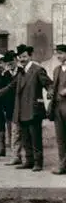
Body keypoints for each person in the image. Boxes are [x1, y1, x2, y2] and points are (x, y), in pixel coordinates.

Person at [0, 44, 53, 172]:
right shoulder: (21, 72)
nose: (22, 59)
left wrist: (50, 92)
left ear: (30, 56)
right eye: (20, 57)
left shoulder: (37, 69)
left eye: (24, 56)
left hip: (33, 109)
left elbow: (48, 83)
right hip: (21, 110)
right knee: (25, 137)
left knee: (35, 138)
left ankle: (38, 162)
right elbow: (10, 87)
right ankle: (29, 161)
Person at [1, 51, 23, 166]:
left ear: (16, 60)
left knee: (21, 132)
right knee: (12, 133)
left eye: (11, 62)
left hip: (22, 106)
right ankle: (15, 156)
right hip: (9, 108)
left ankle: (23, 156)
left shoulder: (22, 72)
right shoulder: (5, 75)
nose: (10, 64)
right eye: (7, 63)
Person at [46, 44, 66, 175]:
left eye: (61, 53)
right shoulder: (57, 69)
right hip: (58, 107)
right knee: (60, 138)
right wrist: (51, 91)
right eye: (57, 53)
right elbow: (54, 85)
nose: (59, 56)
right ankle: (62, 165)